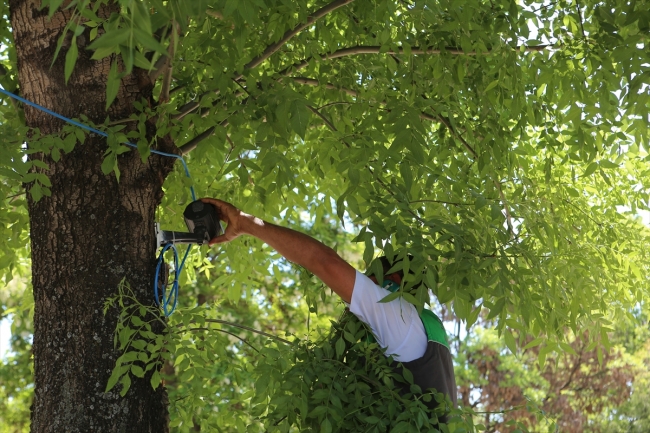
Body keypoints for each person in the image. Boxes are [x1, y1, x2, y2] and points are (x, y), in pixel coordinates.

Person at [201, 198, 457, 420]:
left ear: (395, 281)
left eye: (372, 282)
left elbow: (322, 261)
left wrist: (245, 223)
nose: (354, 306)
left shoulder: (399, 317)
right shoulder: (423, 333)